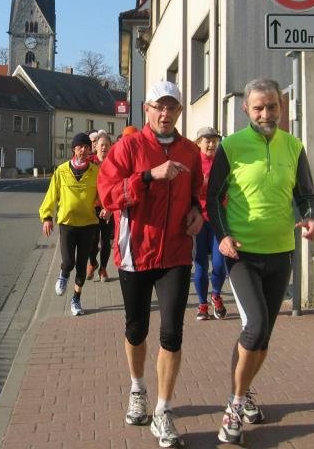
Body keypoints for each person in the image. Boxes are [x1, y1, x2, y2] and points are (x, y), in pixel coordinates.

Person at [207, 79, 314, 445]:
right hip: (242, 254)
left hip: (281, 252)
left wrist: (310, 216)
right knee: (254, 326)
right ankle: (234, 406)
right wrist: (223, 236)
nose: (266, 114)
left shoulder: (294, 146)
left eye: (272, 107)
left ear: (281, 107)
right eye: (258, 108)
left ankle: (245, 392)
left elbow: (306, 194)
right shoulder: (231, 146)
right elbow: (212, 198)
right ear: (246, 110)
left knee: (264, 335)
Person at [97, 81, 204, 449]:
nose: (165, 113)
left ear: (179, 111)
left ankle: (163, 409)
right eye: (160, 106)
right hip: (135, 253)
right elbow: (107, 195)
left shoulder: (190, 151)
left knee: (172, 332)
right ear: (147, 109)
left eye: (172, 107)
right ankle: (137, 388)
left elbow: (199, 191)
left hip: (176, 253)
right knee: (136, 329)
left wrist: (198, 211)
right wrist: (147, 176)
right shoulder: (128, 147)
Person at [39, 132, 100, 316]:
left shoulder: (96, 172)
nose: (84, 150)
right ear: (74, 149)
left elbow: (104, 194)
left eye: (87, 147)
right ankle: (64, 274)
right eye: (80, 147)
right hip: (68, 224)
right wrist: (47, 217)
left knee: (81, 265)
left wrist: (106, 207)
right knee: (68, 261)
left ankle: (76, 299)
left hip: (88, 225)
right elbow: (52, 195)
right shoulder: (61, 171)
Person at [192, 126, 229, 321]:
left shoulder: (222, 163)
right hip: (199, 221)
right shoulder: (193, 164)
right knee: (200, 264)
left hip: (218, 221)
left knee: (219, 264)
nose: (212, 144)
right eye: (208, 140)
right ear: (199, 143)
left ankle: (216, 295)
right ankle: (202, 304)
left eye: (215, 140)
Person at [87, 132, 114, 282]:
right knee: (92, 240)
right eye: (101, 145)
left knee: (106, 241)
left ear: (111, 146)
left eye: (107, 145)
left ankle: (103, 268)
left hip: (108, 208)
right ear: (95, 146)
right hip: (92, 207)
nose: (104, 147)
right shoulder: (89, 163)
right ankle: (92, 263)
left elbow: (117, 186)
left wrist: (110, 207)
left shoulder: (114, 163)